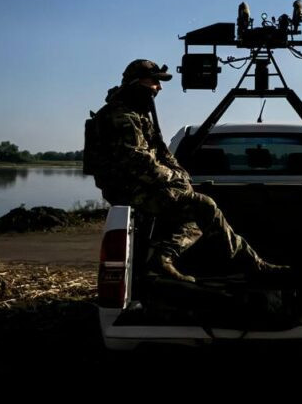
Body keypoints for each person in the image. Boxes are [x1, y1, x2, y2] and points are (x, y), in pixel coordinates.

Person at [87, 58, 289, 284]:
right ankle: (254, 266)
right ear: (139, 82)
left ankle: (161, 260)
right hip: (131, 192)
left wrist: (180, 174)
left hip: (141, 188)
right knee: (205, 206)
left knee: (195, 214)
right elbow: (138, 162)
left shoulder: (136, 113)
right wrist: (175, 177)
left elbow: (162, 152)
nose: (159, 88)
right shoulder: (121, 117)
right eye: (155, 82)